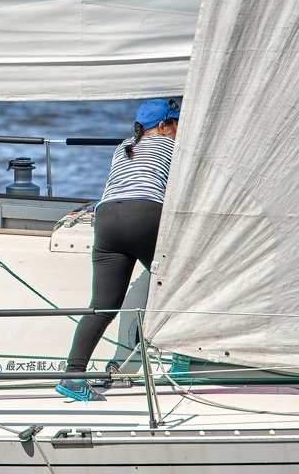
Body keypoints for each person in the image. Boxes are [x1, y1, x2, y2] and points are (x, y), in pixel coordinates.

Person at [56, 98, 180, 402]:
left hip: (108, 216)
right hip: (144, 212)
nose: (181, 130)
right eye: (178, 124)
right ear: (163, 126)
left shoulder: (124, 147)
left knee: (102, 306)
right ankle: (177, 364)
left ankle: (73, 376)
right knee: (178, 283)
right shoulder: (173, 146)